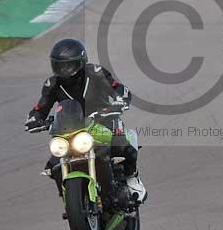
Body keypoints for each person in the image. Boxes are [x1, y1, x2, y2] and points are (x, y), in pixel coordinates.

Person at [24, 38, 146, 202]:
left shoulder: (96, 73)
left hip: (103, 120)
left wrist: (120, 100)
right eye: (60, 66)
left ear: (80, 62)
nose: (64, 70)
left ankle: (132, 179)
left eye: (69, 65)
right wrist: (35, 119)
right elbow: (41, 107)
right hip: (71, 127)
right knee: (53, 166)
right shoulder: (52, 84)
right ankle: (71, 200)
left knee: (122, 146)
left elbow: (118, 88)